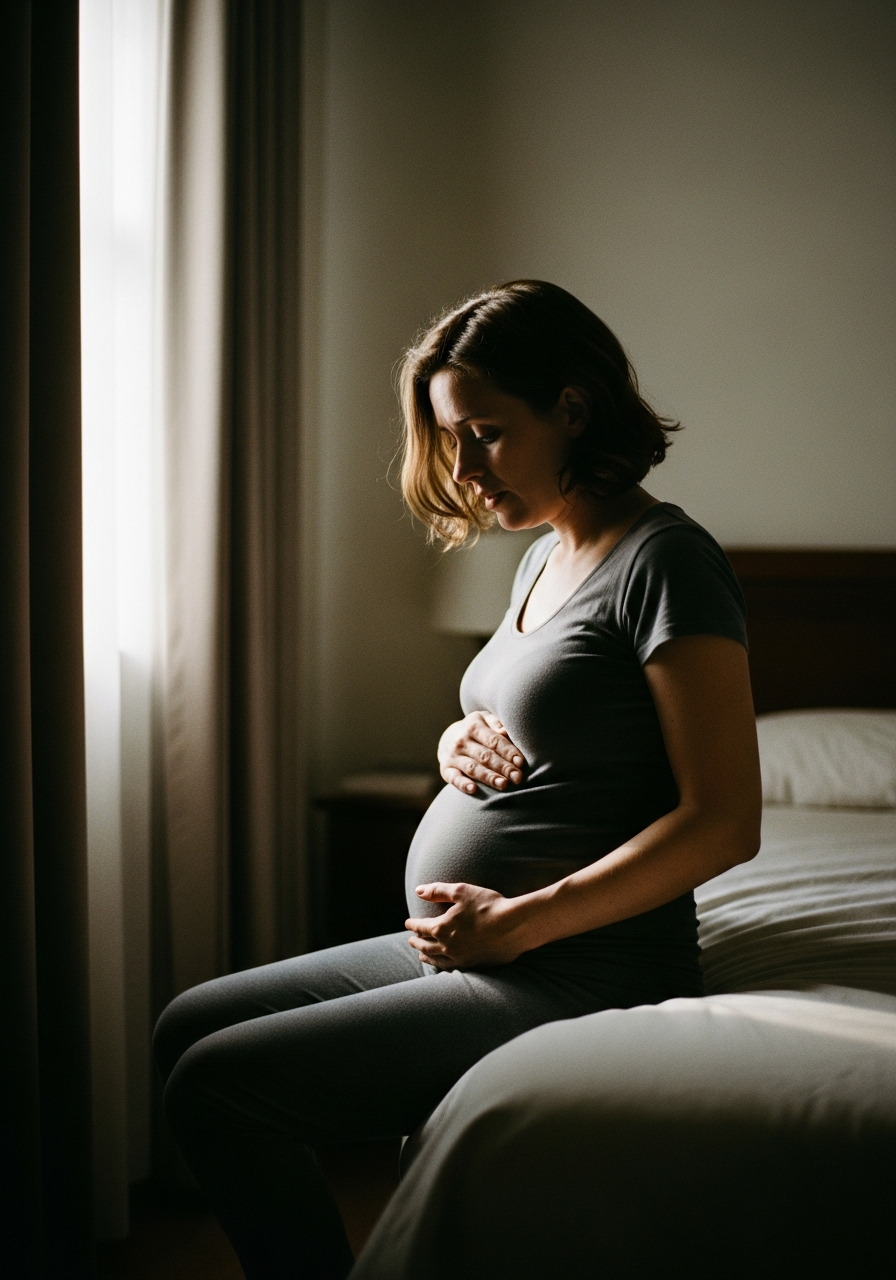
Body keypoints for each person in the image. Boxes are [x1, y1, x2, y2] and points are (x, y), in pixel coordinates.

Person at [154, 280, 761, 1280]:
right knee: (187, 1024)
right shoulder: (542, 556)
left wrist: (521, 920)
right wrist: (454, 744)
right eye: (451, 437)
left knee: (215, 1086)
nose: (465, 467)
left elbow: (722, 820)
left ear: (570, 408)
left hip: (577, 967)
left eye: (485, 432)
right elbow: (532, 714)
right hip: (480, 946)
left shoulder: (668, 562)